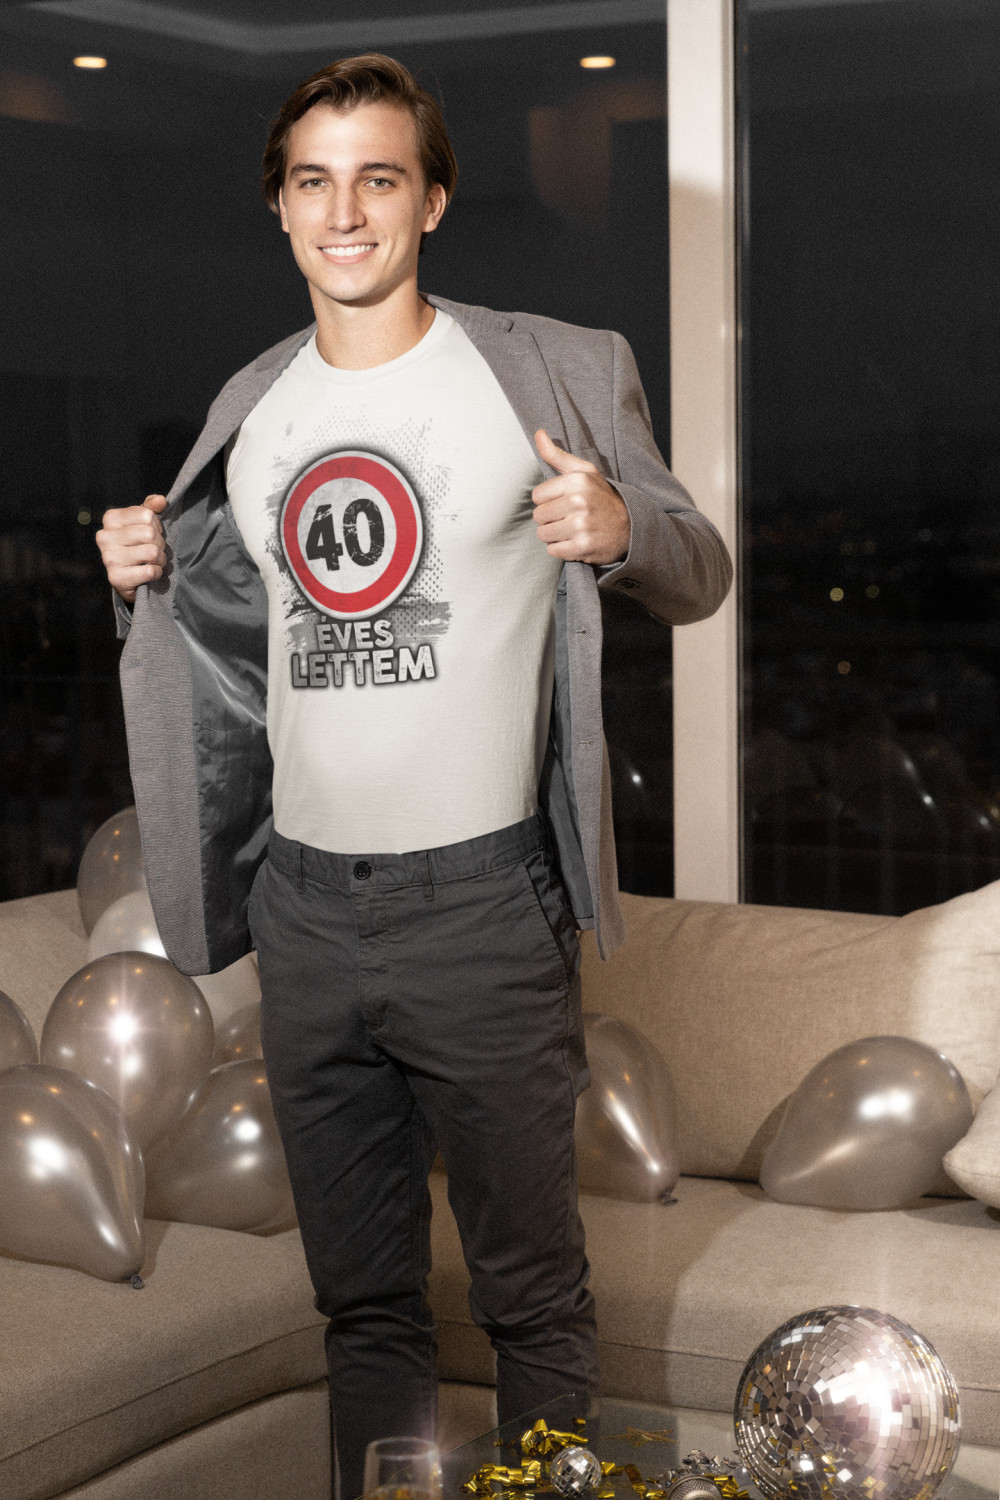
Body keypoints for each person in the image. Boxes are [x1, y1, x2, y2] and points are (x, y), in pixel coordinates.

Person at [96, 53, 731, 1500]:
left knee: (531, 1297)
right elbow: (232, 635)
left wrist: (622, 526)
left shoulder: (554, 367)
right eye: (313, 182)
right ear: (279, 207)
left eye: (378, 179)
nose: (345, 212)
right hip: (306, 911)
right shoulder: (252, 406)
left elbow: (700, 570)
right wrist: (143, 573)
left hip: (486, 906)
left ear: (432, 201)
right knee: (365, 1307)